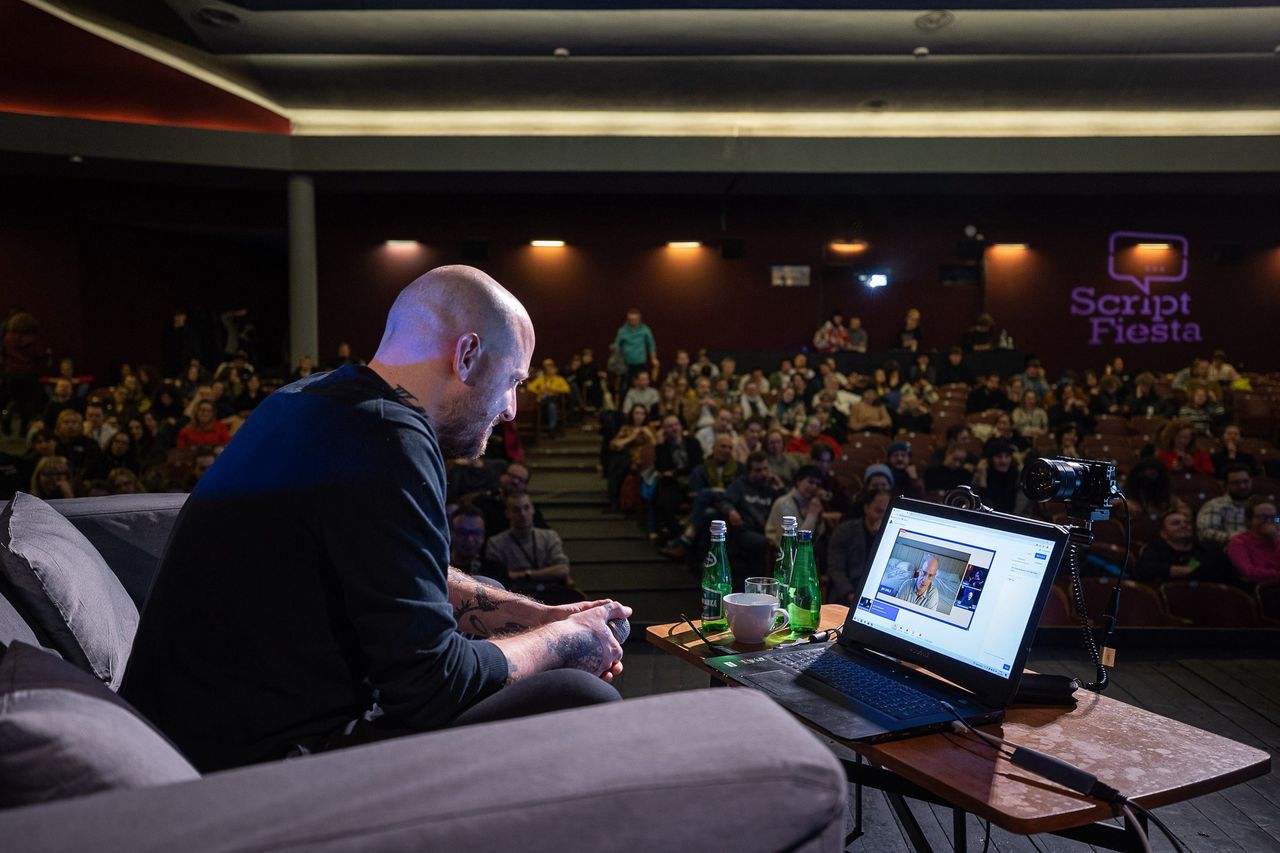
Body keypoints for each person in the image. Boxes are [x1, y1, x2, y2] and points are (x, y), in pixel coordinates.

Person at [121, 266, 631, 773]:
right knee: (577, 694)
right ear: (467, 355)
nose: (513, 409)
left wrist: (540, 617)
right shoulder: (390, 438)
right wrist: (566, 641)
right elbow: (432, 685)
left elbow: (391, 571)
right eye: (513, 380)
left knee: (492, 593)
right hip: (253, 762)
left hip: (192, 732)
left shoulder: (307, 401)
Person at [485, 492, 574, 599]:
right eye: (516, 510)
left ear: (533, 509)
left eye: (526, 508)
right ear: (507, 514)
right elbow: (496, 578)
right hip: (514, 597)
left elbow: (562, 570)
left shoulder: (549, 536)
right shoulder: (495, 543)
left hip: (549, 594)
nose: (522, 513)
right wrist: (546, 573)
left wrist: (522, 575)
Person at [827, 488, 891, 605]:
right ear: (866, 508)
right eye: (878, 511)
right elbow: (836, 570)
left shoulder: (890, 535)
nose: (882, 517)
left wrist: (880, 537)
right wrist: (851, 595)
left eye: (886, 513)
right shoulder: (845, 530)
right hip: (847, 595)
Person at [1134, 511, 1207, 582]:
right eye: (1176, 523)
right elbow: (1144, 569)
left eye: (1187, 523)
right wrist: (1189, 571)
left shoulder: (1203, 550)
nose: (1184, 525)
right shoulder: (1156, 549)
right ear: (1164, 534)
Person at [1196, 464, 1254, 554]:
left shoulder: (1259, 504)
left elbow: (1277, 520)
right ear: (1225, 485)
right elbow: (1205, 533)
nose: (1242, 486)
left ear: (1251, 481)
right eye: (1236, 483)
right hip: (1229, 553)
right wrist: (1238, 537)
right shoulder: (1215, 505)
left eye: (1245, 481)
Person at [765, 465, 826, 548]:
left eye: (818, 484)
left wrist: (818, 518)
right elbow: (794, 544)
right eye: (811, 482)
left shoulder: (812, 504)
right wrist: (811, 516)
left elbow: (818, 538)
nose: (814, 487)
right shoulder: (784, 504)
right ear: (798, 481)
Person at [1227, 496, 1280, 584]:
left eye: (1274, 517)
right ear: (1249, 520)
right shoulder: (1238, 543)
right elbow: (1250, 573)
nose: (1269, 521)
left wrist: (1276, 540)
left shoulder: (1277, 540)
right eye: (1263, 517)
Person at [611, 308, 657, 392]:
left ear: (639, 319)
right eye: (630, 320)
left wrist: (653, 358)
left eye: (635, 320)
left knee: (642, 384)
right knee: (624, 387)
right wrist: (614, 348)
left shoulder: (645, 330)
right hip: (626, 364)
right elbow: (617, 344)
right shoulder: (622, 331)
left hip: (640, 363)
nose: (633, 322)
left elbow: (651, 344)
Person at [527, 357, 572, 436]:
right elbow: (530, 387)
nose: (549, 370)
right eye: (548, 368)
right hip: (543, 399)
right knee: (547, 403)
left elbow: (567, 389)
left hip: (554, 398)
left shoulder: (559, 379)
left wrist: (553, 389)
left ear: (555, 370)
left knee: (552, 405)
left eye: (551, 369)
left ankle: (552, 428)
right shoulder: (541, 378)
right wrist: (539, 391)